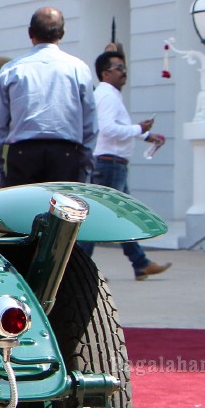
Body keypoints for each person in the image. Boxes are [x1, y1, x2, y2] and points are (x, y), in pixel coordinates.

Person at [78, 49, 171, 280]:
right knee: (100, 217)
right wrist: (139, 129)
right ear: (105, 73)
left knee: (123, 216)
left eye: (124, 67)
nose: (124, 72)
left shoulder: (111, 96)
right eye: (119, 68)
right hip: (108, 163)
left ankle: (140, 263)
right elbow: (108, 129)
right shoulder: (107, 96)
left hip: (113, 163)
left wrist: (146, 136)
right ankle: (79, 270)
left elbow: (119, 127)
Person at [0, 6, 97, 187]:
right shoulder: (78, 69)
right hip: (65, 155)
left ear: (30, 33)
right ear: (62, 33)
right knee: (62, 214)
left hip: (23, 156)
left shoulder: (11, 70)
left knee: (23, 214)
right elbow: (90, 124)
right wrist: (85, 164)